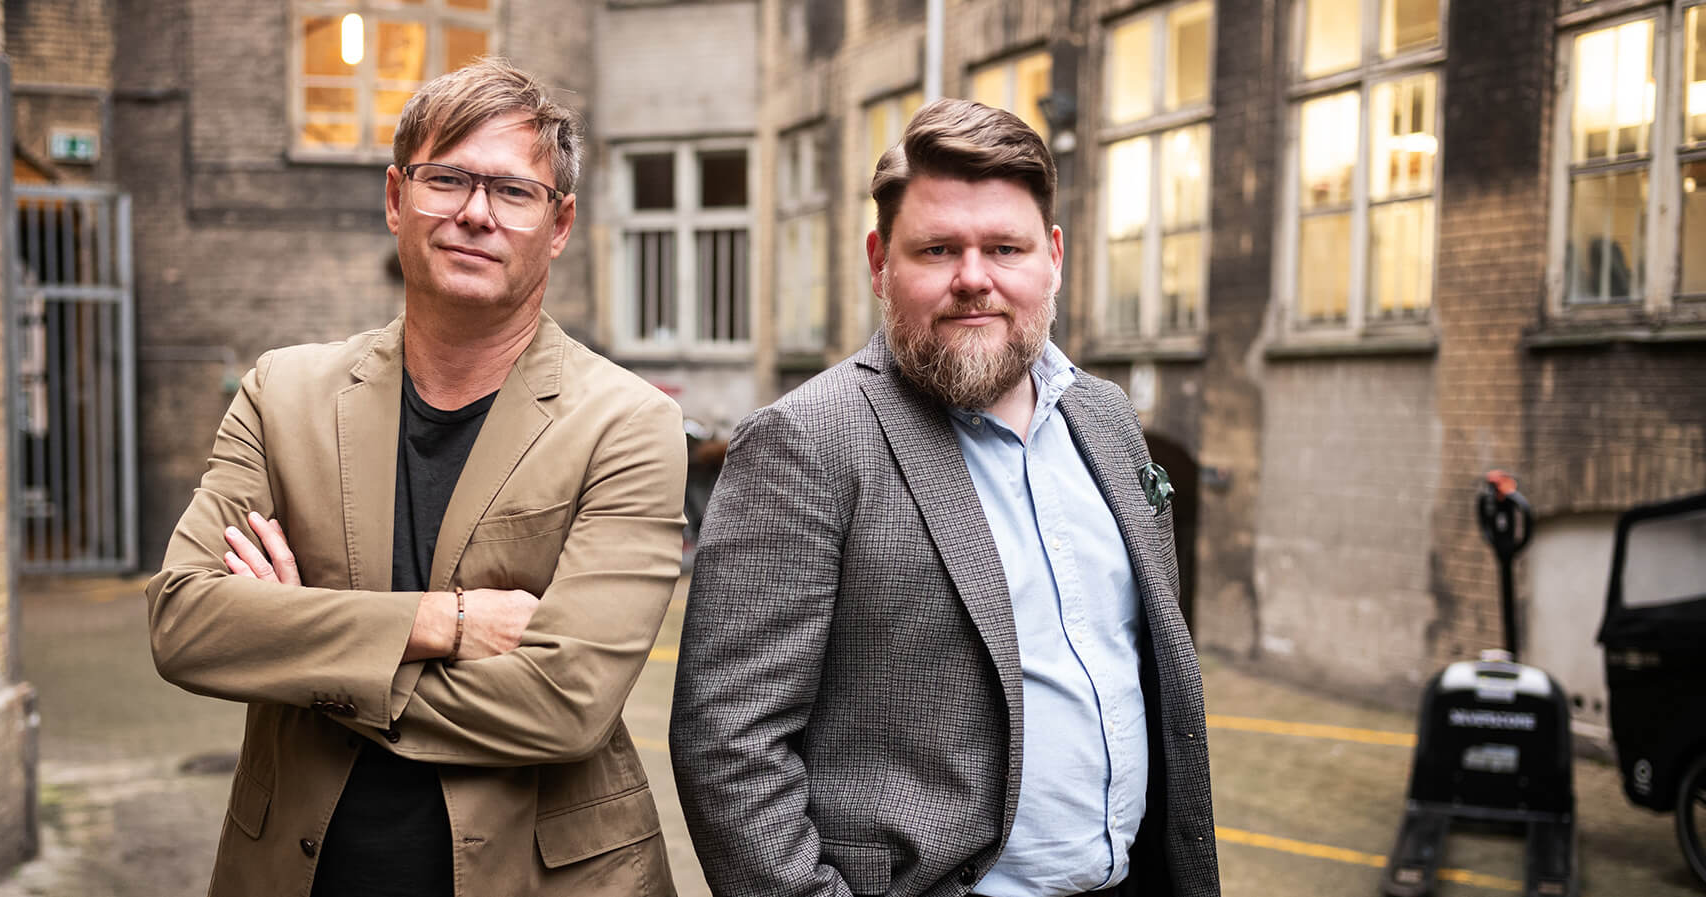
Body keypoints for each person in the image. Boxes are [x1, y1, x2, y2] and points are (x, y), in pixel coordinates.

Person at [146, 58, 686, 897]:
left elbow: (564, 703)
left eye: (513, 191)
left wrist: (301, 648)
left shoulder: (627, 422)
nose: (476, 212)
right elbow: (185, 621)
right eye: (448, 179)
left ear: (560, 224)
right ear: (397, 197)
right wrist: (446, 621)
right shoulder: (282, 393)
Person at [669, 98, 1220, 897]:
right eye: (937, 249)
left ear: (1053, 257)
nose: (973, 278)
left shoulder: (1106, 419)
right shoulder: (804, 442)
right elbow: (728, 745)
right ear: (879, 263)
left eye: (1005, 247)